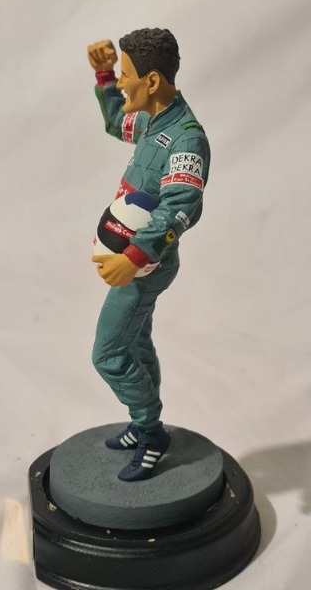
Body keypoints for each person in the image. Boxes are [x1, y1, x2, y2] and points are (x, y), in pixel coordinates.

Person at [87, 29, 210, 481]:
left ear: (152, 81)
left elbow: (181, 209)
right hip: (137, 263)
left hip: (146, 268)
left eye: (125, 75)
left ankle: (151, 431)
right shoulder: (153, 120)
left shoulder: (186, 139)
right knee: (137, 342)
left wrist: (134, 257)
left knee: (108, 353)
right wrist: (103, 76)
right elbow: (115, 121)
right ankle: (143, 425)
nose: (122, 83)